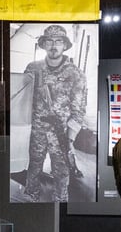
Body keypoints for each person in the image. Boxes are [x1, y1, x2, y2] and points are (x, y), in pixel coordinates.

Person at [23, 25, 88, 202]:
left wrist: (70, 138)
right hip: (36, 129)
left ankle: (60, 206)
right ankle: (30, 200)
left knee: (61, 171)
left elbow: (79, 110)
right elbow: (22, 100)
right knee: (34, 166)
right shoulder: (32, 69)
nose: (54, 45)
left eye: (58, 41)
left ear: (65, 45)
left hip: (61, 133)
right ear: (43, 44)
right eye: (50, 41)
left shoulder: (76, 74)